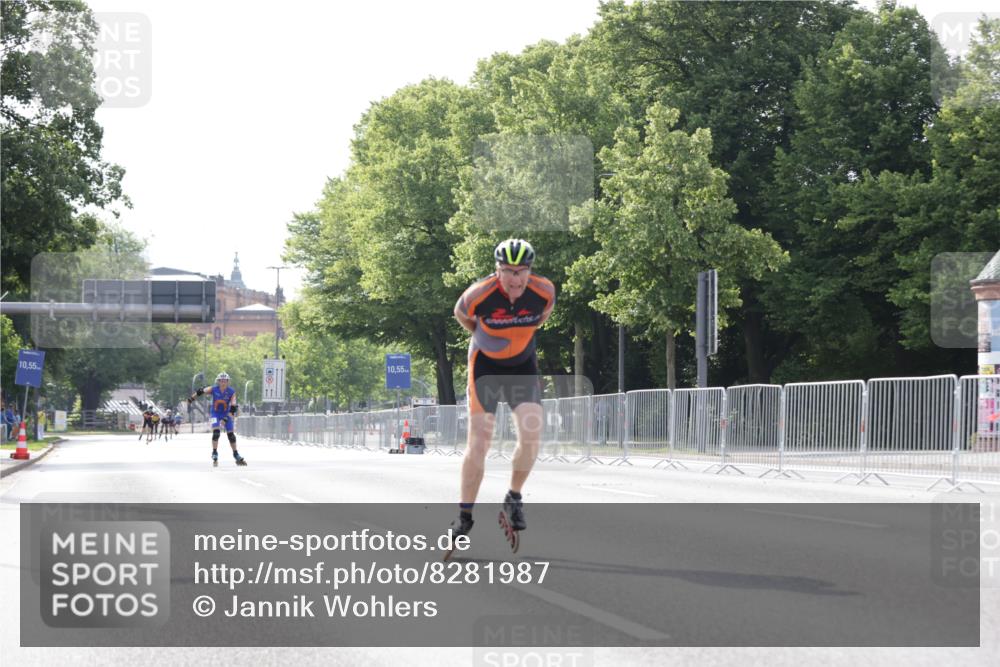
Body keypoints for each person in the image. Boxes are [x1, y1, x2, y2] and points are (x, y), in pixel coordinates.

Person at [449, 238, 554, 542]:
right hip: (486, 367)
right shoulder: (478, 295)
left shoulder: (543, 291)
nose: (515, 278)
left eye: (521, 271)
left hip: (522, 365)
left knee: (532, 434)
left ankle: (514, 497)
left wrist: (515, 339)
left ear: (530, 271)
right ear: (497, 270)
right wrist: (485, 338)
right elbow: (461, 314)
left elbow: (542, 317)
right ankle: (464, 516)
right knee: (480, 441)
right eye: (507, 271)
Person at [188, 372, 245, 466]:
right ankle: (214, 452)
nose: (223, 383)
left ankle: (236, 454)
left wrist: (226, 419)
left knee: (231, 435)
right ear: (218, 382)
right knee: (216, 433)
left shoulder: (231, 392)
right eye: (221, 381)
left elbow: (233, 407)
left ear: (228, 382)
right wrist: (191, 399)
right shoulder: (213, 389)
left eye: (225, 381)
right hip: (215, 414)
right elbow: (201, 391)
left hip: (226, 413)